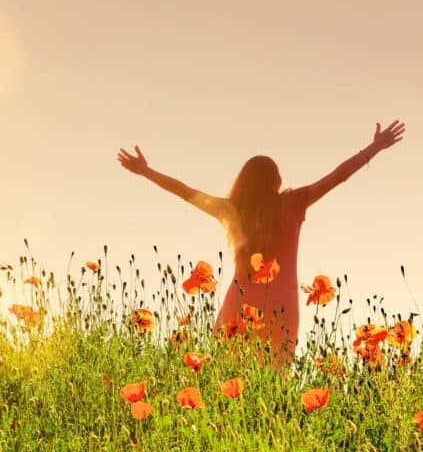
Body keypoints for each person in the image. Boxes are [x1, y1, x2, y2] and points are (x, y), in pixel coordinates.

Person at [117, 120, 405, 364]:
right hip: (282, 309)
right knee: (272, 385)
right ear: (276, 181)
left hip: (238, 306)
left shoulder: (232, 211)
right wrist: (375, 148)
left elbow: (185, 192)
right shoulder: (292, 204)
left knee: (227, 382)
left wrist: (146, 171)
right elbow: (338, 176)